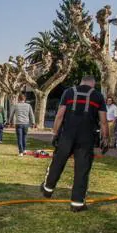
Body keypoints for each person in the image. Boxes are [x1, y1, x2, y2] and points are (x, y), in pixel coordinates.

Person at [39, 76, 109, 212]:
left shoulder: (68, 92)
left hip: (67, 135)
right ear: (92, 85)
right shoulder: (98, 96)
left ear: (81, 82)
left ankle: (47, 189)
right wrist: (106, 138)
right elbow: (104, 121)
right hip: (86, 138)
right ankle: (77, 204)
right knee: (82, 170)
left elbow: (59, 115)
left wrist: (55, 133)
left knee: (57, 163)